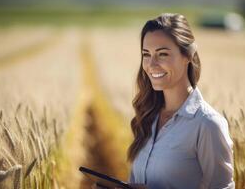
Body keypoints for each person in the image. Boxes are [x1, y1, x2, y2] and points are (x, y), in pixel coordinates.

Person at [95, 13, 235, 189]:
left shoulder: (207, 125)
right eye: (146, 54)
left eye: (162, 54)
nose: (151, 64)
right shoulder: (148, 116)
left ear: (188, 56)